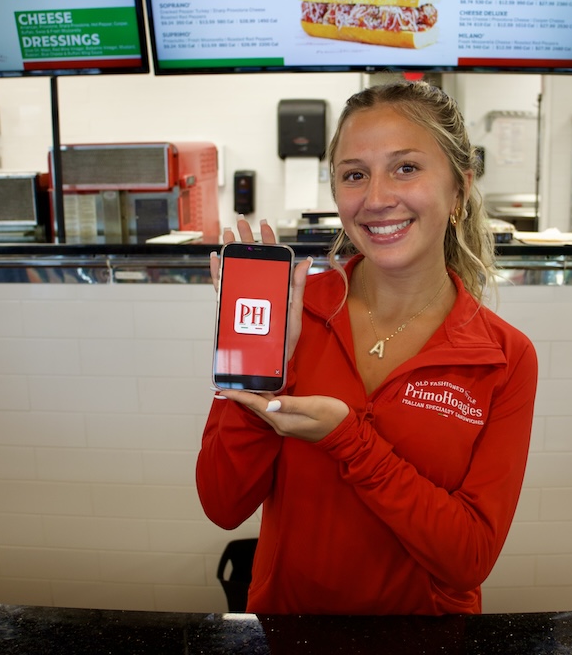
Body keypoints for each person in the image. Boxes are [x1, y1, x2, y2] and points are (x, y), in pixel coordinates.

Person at [197, 80, 538, 616]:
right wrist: (259, 368)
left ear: (459, 188)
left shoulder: (503, 355)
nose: (376, 199)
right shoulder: (292, 313)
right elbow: (222, 504)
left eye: (406, 168)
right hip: (290, 628)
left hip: (426, 637)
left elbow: (468, 558)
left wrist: (351, 442)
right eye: (354, 175)